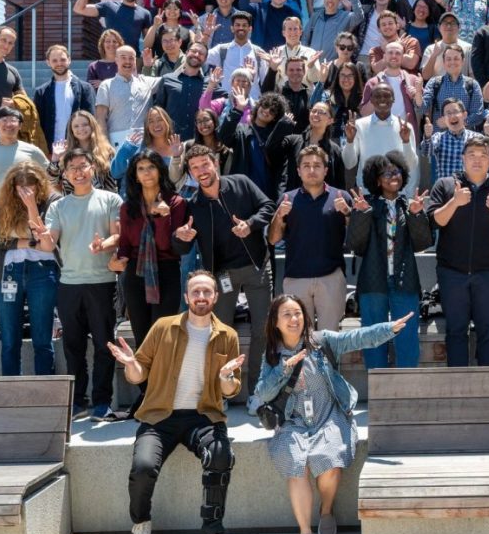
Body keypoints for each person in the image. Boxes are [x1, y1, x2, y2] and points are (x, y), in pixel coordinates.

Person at [255, 295, 412, 534]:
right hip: (293, 422)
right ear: (275, 322)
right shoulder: (271, 354)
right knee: (296, 464)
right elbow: (262, 393)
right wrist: (282, 370)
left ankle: (326, 511)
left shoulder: (321, 341)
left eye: (298, 313)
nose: (294, 319)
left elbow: (356, 339)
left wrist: (388, 329)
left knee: (328, 464)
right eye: (287, 315)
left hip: (329, 416)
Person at [109, 270, 242, 534]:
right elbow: (138, 373)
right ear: (186, 297)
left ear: (215, 297)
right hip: (160, 415)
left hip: (203, 416)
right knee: (143, 467)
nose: (201, 297)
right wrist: (131, 365)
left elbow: (231, 389)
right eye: (195, 292)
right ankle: (141, 523)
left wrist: (225, 378)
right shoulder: (163, 327)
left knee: (221, 456)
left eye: (207, 292)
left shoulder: (227, 336)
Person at [176, 144, 276, 393]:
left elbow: (268, 206)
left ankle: (257, 391)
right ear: (190, 172)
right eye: (194, 167)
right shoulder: (194, 204)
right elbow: (179, 246)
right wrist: (181, 238)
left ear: (216, 163)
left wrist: (251, 225)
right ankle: (224, 390)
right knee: (221, 334)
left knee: (263, 330)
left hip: (256, 267)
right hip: (222, 275)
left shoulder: (241, 183)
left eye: (204, 164)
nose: (201, 171)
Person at [38, 149, 122, 420]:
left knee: (104, 344)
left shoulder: (110, 199)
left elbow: (118, 235)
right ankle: (78, 401)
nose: (78, 171)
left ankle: (102, 402)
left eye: (83, 165)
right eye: (72, 167)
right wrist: (42, 233)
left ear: (93, 168)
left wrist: (103, 245)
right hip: (69, 283)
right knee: (72, 346)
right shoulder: (58, 206)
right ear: (65, 175)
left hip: (103, 282)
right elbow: (49, 243)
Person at [425, 136, 489, 367]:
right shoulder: (445, 185)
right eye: (472, 155)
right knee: (456, 332)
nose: (477, 160)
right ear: (462, 158)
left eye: (483, 155)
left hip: (487, 274)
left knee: (488, 332)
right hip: (451, 273)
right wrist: (454, 202)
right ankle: (459, 392)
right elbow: (435, 221)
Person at [347, 152, 430, 370]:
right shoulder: (367, 206)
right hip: (373, 282)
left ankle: (405, 395)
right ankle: (378, 393)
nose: (393, 176)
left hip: (405, 280)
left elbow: (423, 243)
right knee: (373, 339)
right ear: (376, 179)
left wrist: (417, 216)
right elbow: (356, 245)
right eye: (386, 173)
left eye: (396, 171)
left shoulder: (409, 205)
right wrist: (361, 215)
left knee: (407, 340)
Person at [267, 145, 353, 335]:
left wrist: (347, 212)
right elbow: (273, 239)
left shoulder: (341, 196)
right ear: (298, 171)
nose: (311, 170)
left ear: (326, 170)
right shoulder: (287, 199)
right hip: (296, 278)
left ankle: (329, 367)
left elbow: (357, 236)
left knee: (329, 339)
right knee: (297, 337)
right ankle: (302, 367)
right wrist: (279, 216)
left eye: (317, 165)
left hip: (331, 277)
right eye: (306, 165)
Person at [0, 161, 59, 378]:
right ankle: (12, 392)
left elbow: (46, 238)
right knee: (9, 339)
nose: (26, 192)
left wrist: (31, 207)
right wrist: (28, 243)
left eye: (31, 187)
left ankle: (46, 390)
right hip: (10, 271)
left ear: (40, 185)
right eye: (20, 188)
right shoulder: (1, 202)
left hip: (42, 271)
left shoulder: (53, 201)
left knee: (42, 338)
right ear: (12, 187)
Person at [114, 150, 189, 349]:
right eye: (141, 169)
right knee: (142, 338)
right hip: (135, 275)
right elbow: (125, 246)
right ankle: (145, 382)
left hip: (166, 272)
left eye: (151, 167)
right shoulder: (127, 208)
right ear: (135, 176)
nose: (146, 172)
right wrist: (117, 261)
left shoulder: (176, 203)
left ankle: (162, 381)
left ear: (160, 171)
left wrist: (163, 218)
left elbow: (166, 245)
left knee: (163, 337)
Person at [343, 83, 419, 195]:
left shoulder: (405, 127)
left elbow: (411, 165)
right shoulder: (358, 126)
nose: (382, 99)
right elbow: (349, 163)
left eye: (387, 96)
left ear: (393, 99)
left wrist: (406, 141)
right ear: (371, 100)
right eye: (377, 96)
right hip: (367, 193)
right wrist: (349, 141)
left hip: (397, 193)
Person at [33, 44, 95, 150]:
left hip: (79, 147)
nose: (59, 64)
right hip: (51, 148)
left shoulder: (85, 88)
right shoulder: (41, 92)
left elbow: (91, 119)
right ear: (48, 62)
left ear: (69, 60)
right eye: (54, 61)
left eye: (62, 60)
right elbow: (38, 124)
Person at [96, 46, 158, 147]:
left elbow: (170, 79)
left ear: (135, 61)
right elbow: (100, 118)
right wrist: (104, 144)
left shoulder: (146, 82)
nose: (127, 61)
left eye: (131, 58)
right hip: (116, 141)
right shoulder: (106, 85)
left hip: (143, 140)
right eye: (123, 57)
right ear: (116, 60)